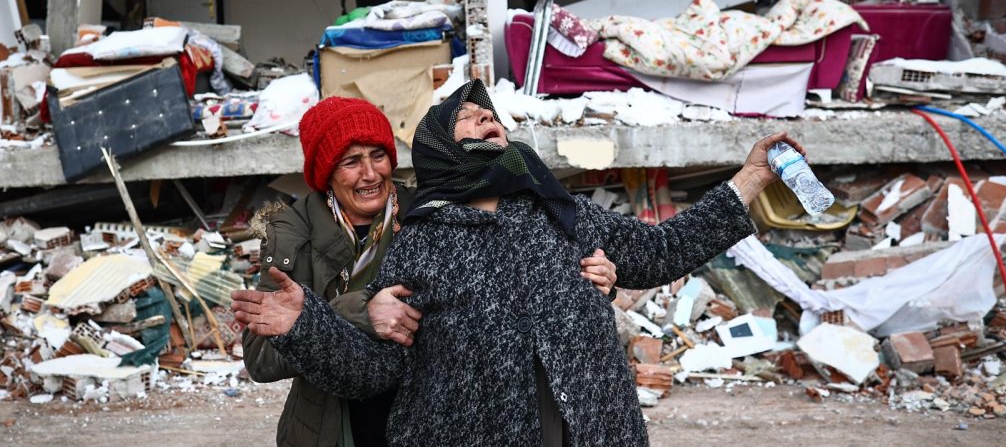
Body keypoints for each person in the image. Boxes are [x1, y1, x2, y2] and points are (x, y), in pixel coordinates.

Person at [233, 80, 795, 446]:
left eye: (492, 116)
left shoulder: (564, 213)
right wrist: (307, 326)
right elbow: (378, 371)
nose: (488, 120)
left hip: (592, 429)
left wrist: (751, 179)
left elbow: (663, 250)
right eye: (470, 117)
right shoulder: (421, 240)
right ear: (440, 145)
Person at [242, 95, 618, 447]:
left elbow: (513, 270)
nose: (370, 173)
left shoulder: (429, 211)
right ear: (326, 172)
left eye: (378, 156)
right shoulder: (292, 235)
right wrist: (357, 310)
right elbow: (260, 358)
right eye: (351, 162)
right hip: (333, 426)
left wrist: (587, 279)